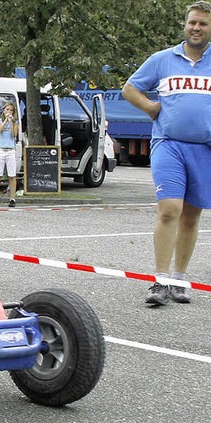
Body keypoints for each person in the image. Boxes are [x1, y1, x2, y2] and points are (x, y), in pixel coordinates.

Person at [122, 0, 211, 306]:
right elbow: (130, 88)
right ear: (185, 25)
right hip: (168, 144)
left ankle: (179, 280)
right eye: (192, 22)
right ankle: (160, 281)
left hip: (205, 148)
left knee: (190, 216)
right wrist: (150, 108)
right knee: (169, 209)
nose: (196, 28)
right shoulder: (162, 59)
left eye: (203, 23)